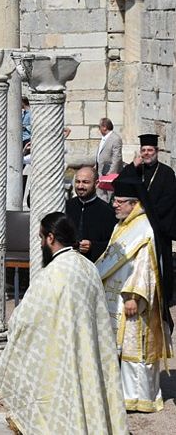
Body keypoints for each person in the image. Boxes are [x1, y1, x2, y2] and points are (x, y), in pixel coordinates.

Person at [0, 212, 127, 434]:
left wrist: (15, 328)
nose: (41, 243)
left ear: (51, 238)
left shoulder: (51, 274)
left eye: (41, 238)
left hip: (60, 354)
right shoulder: (88, 267)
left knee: (58, 405)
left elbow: (24, 320)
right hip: (88, 353)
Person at [95, 176, 172, 412]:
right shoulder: (122, 225)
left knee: (135, 347)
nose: (115, 205)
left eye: (120, 201)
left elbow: (146, 266)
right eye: (115, 200)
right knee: (118, 346)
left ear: (134, 203)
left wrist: (134, 296)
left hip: (133, 300)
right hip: (115, 297)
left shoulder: (145, 227)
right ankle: (120, 392)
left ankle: (140, 398)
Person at [120, 133, 176, 308]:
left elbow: (169, 200)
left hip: (159, 225)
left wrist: (147, 215)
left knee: (161, 261)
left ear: (157, 151)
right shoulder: (136, 170)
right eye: (143, 150)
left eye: (150, 150)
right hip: (138, 227)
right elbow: (120, 184)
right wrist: (131, 166)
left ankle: (164, 297)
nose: (146, 153)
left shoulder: (167, 173)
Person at [65, 167, 116, 262]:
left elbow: (113, 243)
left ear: (96, 184)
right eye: (77, 182)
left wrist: (93, 246)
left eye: (85, 182)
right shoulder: (66, 207)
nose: (80, 186)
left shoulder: (107, 211)